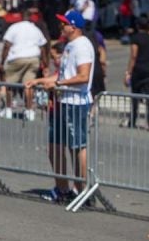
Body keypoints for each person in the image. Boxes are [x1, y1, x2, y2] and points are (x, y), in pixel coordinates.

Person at [26, 10, 94, 196]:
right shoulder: (70, 45)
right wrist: (40, 81)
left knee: (76, 147)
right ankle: (62, 188)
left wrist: (57, 84)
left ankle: (82, 189)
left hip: (75, 102)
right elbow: (65, 75)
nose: (61, 26)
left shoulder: (82, 46)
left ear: (74, 27)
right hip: (62, 100)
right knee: (55, 146)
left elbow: (83, 76)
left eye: (64, 24)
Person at [0, 9, 49, 120]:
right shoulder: (35, 29)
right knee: (29, 85)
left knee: (10, 85)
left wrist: (2, 62)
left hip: (16, 58)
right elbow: (42, 46)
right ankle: (29, 110)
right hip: (33, 58)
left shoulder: (14, 27)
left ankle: (8, 109)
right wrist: (45, 63)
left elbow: (7, 45)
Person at [125, 17, 149, 130]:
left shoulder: (135, 38)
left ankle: (132, 120)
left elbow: (133, 55)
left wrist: (128, 72)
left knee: (135, 97)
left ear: (138, 26)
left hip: (138, 69)